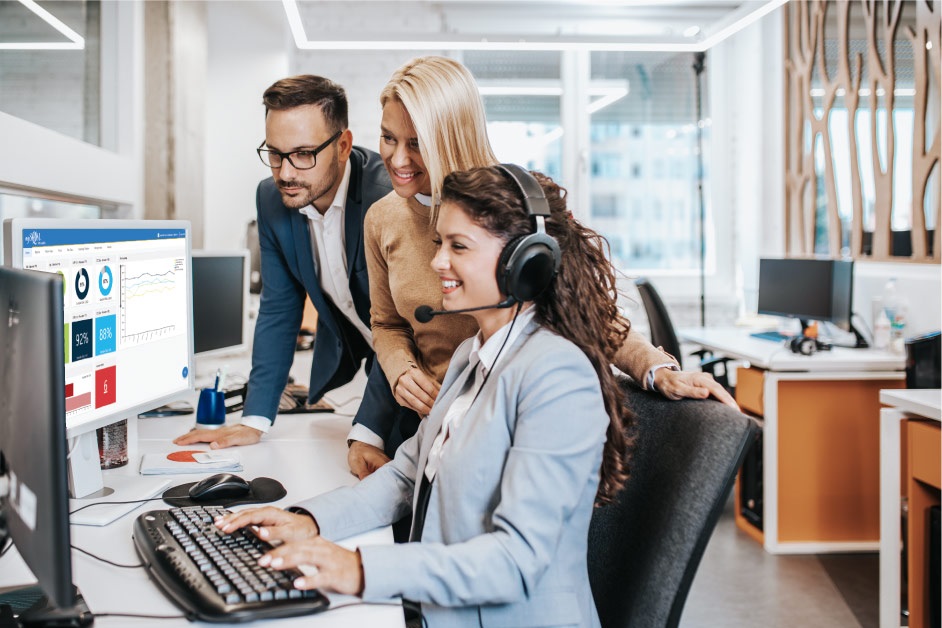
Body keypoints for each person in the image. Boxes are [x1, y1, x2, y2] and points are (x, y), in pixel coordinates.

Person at [215, 165, 634, 626]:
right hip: (439, 607)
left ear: (525, 263)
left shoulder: (557, 377)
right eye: (440, 244)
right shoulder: (470, 357)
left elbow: (517, 560)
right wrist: (309, 520)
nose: (437, 262)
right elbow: (407, 476)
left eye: (459, 246)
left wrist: (358, 568)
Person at [348, 56, 735, 479]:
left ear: (449, 136)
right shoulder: (381, 219)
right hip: (430, 430)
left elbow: (586, 309)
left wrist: (654, 368)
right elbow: (386, 323)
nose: (397, 158)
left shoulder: (518, 205)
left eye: (417, 143)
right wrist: (400, 370)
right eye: (388, 138)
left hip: (513, 430)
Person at [175, 75, 394, 451]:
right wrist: (255, 419)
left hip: (414, 367)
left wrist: (368, 429)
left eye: (304, 154)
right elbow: (278, 308)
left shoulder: (386, 197)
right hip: (368, 363)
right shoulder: (272, 199)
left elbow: (401, 326)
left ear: (343, 146)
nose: (286, 173)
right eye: (275, 154)